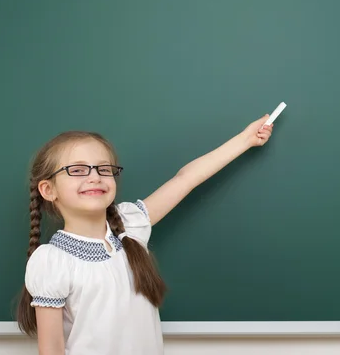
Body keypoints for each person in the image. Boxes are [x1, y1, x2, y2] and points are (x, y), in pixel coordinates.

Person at [16, 114, 275, 355]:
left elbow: (185, 179)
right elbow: (51, 350)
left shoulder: (129, 225)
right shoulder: (52, 260)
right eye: (78, 170)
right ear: (48, 189)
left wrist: (246, 139)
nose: (94, 177)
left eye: (104, 169)